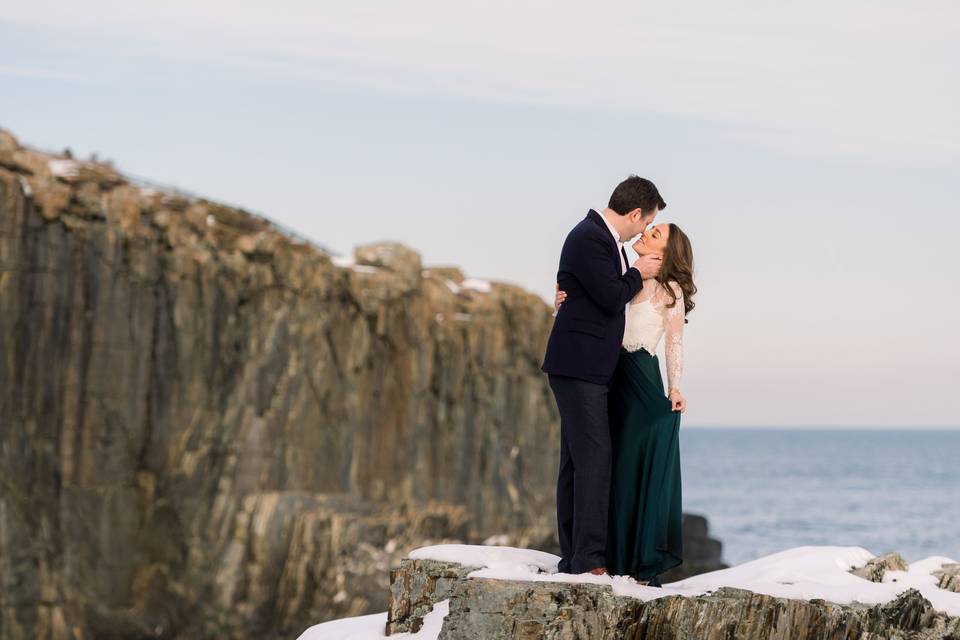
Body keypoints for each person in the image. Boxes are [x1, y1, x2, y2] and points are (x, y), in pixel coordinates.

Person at [554, 222, 696, 586]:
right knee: (606, 467)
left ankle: (641, 562)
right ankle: (605, 554)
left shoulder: (670, 290)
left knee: (634, 465)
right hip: (605, 376)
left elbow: (674, 342)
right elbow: (593, 306)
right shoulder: (620, 273)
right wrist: (561, 302)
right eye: (649, 227)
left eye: (656, 233)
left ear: (664, 254)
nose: (646, 232)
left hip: (641, 378)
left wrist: (676, 386)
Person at [541, 176, 666, 575]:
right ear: (634, 213)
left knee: (577, 462)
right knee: (594, 458)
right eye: (646, 223)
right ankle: (590, 560)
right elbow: (611, 296)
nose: (644, 231)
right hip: (579, 365)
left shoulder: (600, 239)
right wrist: (640, 272)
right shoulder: (591, 237)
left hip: (583, 365)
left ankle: (576, 556)